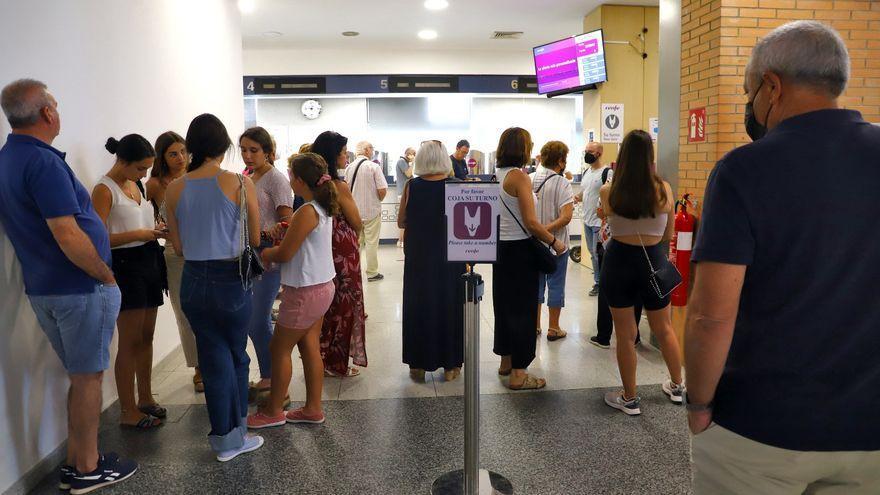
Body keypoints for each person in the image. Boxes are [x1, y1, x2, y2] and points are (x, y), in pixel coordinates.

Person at [686, 21, 880, 493]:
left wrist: (698, 403)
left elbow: (712, 316)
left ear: (772, 86)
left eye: (749, 91)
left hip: (760, 429)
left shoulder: (743, 171)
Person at [0, 79, 138, 492]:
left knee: (81, 378)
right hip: (78, 289)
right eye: (55, 104)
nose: (58, 111)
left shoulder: (9, 158)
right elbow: (66, 232)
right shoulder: (42, 163)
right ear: (46, 113)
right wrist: (104, 274)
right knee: (88, 380)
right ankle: (88, 468)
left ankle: (79, 459)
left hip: (46, 288)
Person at [164, 113, 264, 462]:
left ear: (191, 147)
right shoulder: (240, 183)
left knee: (211, 357)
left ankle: (223, 439)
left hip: (193, 279)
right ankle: (236, 435)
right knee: (236, 355)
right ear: (224, 146)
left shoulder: (174, 188)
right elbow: (253, 233)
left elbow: (177, 247)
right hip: (230, 280)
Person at [246, 152, 338, 428]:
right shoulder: (320, 207)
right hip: (322, 286)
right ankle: (312, 408)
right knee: (309, 345)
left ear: (298, 180)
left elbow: (285, 253)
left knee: (278, 347)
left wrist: (266, 253)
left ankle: (273, 410)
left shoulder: (306, 211)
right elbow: (301, 242)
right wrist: (284, 231)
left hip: (304, 291)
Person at [598, 129, 684, 416]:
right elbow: (668, 233)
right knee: (665, 328)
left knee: (625, 334)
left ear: (622, 156)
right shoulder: (664, 190)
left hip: (619, 261)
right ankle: (677, 386)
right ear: (650, 156)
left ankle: (630, 398)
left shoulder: (609, 191)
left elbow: (607, 217)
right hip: (654, 260)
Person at [92, 135, 166, 429]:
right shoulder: (103, 189)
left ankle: (145, 397)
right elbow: (97, 239)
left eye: (147, 169)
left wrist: (153, 231)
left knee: (146, 335)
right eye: (139, 169)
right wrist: (139, 234)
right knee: (130, 340)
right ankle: (128, 410)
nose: (144, 175)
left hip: (149, 258)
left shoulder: (135, 185)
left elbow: (139, 224)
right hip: (125, 265)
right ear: (122, 161)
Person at [493, 127, 565, 390]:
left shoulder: (496, 176)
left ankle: (505, 362)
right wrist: (555, 242)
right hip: (520, 252)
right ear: (521, 148)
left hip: (500, 251)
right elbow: (532, 223)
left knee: (503, 307)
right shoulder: (519, 178)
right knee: (523, 312)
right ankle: (519, 374)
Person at [398, 141, 465, 382]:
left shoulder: (412, 186)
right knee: (450, 304)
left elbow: (401, 220)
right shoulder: (458, 186)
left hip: (419, 256)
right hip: (451, 255)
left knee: (419, 304)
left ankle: (418, 364)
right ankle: (451, 365)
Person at [239, 127, 294, 406]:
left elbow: (288, 220)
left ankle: (273, 377)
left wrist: (270, 232)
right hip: (248, 254)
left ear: (267, 152)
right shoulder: (246, 176)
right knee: (251, 319)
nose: (248, 156)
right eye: (244, 150)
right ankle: (269, 374)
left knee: (257, 320)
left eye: (254, 150)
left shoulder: (276, 179)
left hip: (267, 255)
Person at [146, 131, 203, 392]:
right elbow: (146, 220)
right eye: (173, 154)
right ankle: (198, 367)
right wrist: (154, 227)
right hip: (174, 253)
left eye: (182, 151)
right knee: (185, 313)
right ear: (162, 157)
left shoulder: (197, 176)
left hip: (203, 249)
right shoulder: (155, 184)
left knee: (208, 309)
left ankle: (212, 361)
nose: (180, 158)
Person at [312, 131, 368, 377]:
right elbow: (356, 221)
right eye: (344, 152)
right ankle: (337, 362)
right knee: (346, 303)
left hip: (321, 248)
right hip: (343, 249)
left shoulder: (313, 183)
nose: (347, 156)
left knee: (326, 304)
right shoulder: (338, 185)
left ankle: (321, 357)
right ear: (333, 156)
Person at [533, 141, 574, 341]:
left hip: (532, 245)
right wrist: (546, 231)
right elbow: (566, 217)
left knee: (535, 285)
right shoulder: (562, 183)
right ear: (560, 160)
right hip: (556, 244)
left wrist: (537, 231)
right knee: (556, 284)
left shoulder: (529, 179)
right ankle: (554, 327)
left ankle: (534, 325)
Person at [344, 140, 387, 282]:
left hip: (353, 212)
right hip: (372, 212)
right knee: (372, 242)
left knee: (356, 243)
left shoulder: (349, 167)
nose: (373, 151)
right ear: (367, 150)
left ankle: (353, 271)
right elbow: (382, 189)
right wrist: (376, 201)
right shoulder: (374, 166)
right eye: (372, 148)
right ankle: (372, 273)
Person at [575, 142, 607, 296]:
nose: (587, 153)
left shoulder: (607, 172)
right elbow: (584, 192)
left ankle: (600, 282)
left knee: (597, 253)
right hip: (587, 220)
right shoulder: (587, 172)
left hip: (598, 222)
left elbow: (608, 196)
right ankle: (599, 280)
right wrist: (576, 198)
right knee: (591, 252)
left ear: (599, 153)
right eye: (586, 150)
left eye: (591, 151)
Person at [395, 147, 415, 248]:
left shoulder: (406, 163)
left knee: (407, 217)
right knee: (404, 217)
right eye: (413, 154)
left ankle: (402, 240)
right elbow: (408, 174)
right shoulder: (401, 161)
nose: (414, 156)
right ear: (408, 154)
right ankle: (401, 241)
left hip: (405, 192)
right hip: (403, 193)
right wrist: (414, 162)